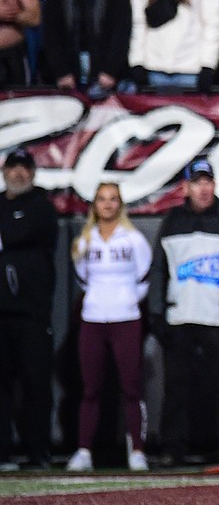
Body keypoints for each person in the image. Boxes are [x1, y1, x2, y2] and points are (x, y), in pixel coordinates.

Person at [147, 158, 219, 466]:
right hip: (181, 317)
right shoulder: (173, 220)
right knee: (176, 388)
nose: (203, 189)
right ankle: (171, 449)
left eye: (208, 182)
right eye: (197, 183)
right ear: (186, 187)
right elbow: (159, 270)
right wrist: (158, 314)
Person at [65, 183, 152, 473]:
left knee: (131, 387)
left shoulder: (134, 239)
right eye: (102, 199)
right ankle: (84, 451)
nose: (107, 205)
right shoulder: (84, 241)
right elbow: (82, 280)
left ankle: (137, 451)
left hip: (126, 318)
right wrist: (99, 301)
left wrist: (122, 301)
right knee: (90, 388)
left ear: (120, 204)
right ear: (94, 205)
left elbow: (144, 279)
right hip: (92, 319)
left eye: (113, 199)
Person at [0, 147, 59, 471]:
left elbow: (23, 233)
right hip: (1, 314)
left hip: (33, 313)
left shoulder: (41, 206)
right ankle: (4, 451)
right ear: (5, 170)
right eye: (14, 167)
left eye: (24, 168)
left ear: (33, 173)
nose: (19, 173)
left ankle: (39, 451)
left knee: (36, 384)